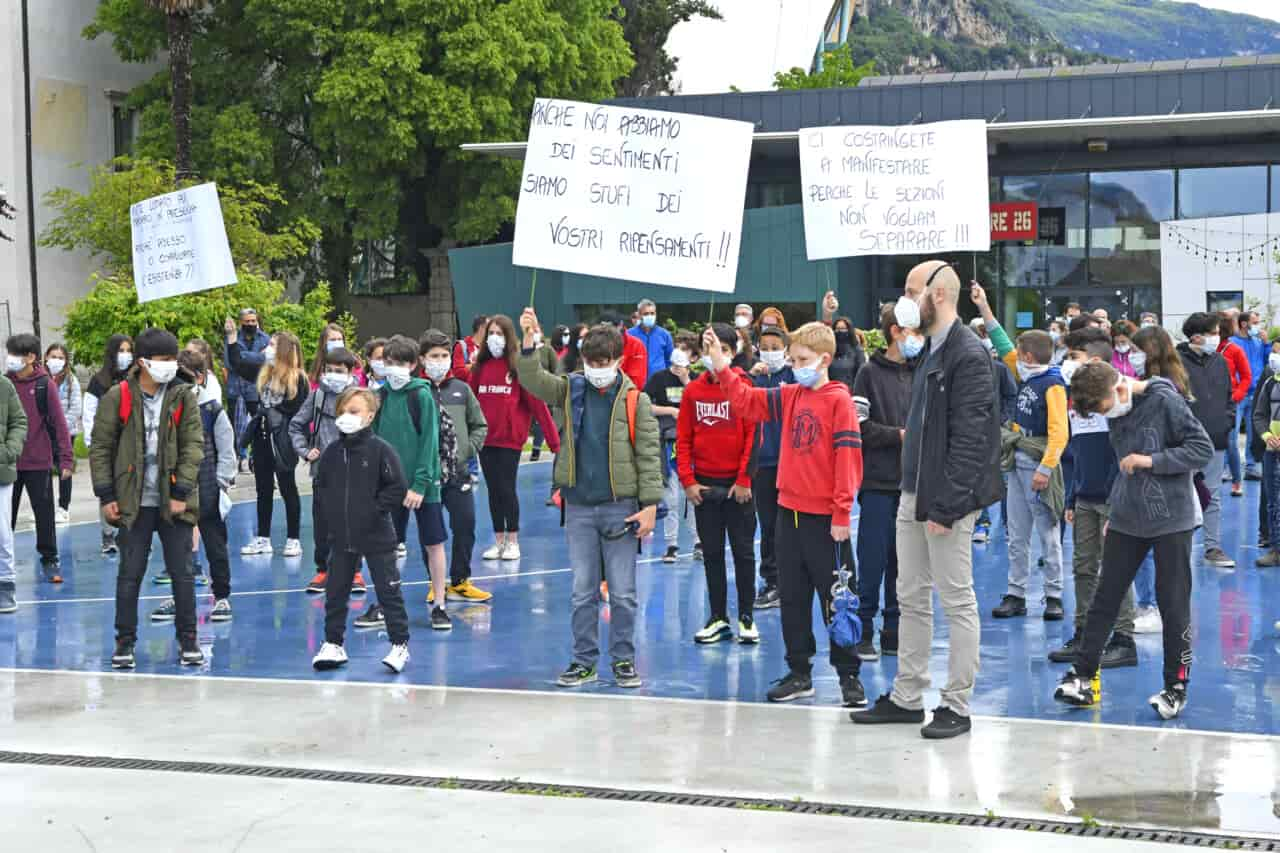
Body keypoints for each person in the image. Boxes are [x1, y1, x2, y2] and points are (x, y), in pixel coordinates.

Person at [852, 263, 1001, 740]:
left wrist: (948, 505)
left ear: (937, 294)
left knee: (956, 599)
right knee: (910, 596)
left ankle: (956, 703)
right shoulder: (929, 351)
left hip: (944, 501)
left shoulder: (967, 354)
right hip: (910, 491)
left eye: (912, 291)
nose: (905, 299)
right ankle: (906, 695)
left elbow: (973, 439)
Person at [709, 320, 867, 709]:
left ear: (824, 359)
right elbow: (747, 402)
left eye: (802, 359)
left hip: (825, 519)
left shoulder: (838, 401)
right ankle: (800, 672)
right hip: (788, 514)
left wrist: (842, 513)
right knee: (793, 599)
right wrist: (721, 367)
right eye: (794, 358)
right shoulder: (792, 394)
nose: (795, 365)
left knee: (838, 597)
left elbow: (848, 458)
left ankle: (849, 676)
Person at [1054, 361, 1213, 720]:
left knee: (1173, 604)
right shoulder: (1114, 411)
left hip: (1172, 519)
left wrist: (1150, 460)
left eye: (1104, 408)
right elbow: (1120, 465)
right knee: (1105, 596)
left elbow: (1201, 449)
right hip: (1127, 517)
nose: (1105, 415)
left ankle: (1176, 686)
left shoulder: (1166, 401)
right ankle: (1081, 676)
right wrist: (1115, 508)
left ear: (1119, 388)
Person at [516, 309, 662, 690]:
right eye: (591, 361)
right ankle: (583, 661)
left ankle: (624, 660)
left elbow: (649, 455)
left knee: (624, 594)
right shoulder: (570, 389)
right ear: (582, 359)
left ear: (618, 360)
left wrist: (650, 506)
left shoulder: (636, 400)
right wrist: (529, 340)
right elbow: (533, 379)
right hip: (579, 505)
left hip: (621, 507)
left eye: (604, 362)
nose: (597, 368)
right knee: (582, 592)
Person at [91, 328, 205, 669]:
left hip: (174, 502)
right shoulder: (118, 396)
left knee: (182, 574)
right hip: (132, 502)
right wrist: (106, 494)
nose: (169, 366)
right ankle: (124, 642)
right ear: (143, 362)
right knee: (130, 574)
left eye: (173, 359)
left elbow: (193, 446)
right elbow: (100, 448)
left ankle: (188, 640)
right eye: (162, 360)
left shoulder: (184, 395)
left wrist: (182, 491)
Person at [1051, 327, 1138, 669]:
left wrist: (1118, 502)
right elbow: (1077, 455)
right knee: (1083, 567)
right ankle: (1086, 632)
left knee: (1115, 568)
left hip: (1113, 500)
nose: (1067, 363)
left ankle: (1123, 637)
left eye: (1074, 357)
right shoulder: (1077, 404)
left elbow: (1123, 456)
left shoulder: (1118, 403)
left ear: (1097, 361)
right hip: (1084, 497)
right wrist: (1072, 497)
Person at [310, 387, 414, 673]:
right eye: (343, 411)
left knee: (388, 590)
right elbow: (322, 491)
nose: (347, 417)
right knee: (336, 591)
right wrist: (328, 525)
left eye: (354, 411)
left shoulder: (381, 450)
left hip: (377, 536)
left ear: (369, 416)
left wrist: (373, 511)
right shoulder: (332, 453)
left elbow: (397, 488)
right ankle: (333, 643)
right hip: (341, 537)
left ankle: (399, 645)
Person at [984, 314, 1068, 622]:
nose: (1013, 359)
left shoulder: (1053, 385)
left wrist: (1045, 469)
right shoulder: (1025, 376)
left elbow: (1060, 432)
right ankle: (1016, 592)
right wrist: (985, 310)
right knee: (1016, 532)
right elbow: (1003, 344)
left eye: (1019, 354)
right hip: (1017, 459)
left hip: (1037, 460)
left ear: (1028, 357)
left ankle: (1054, 595)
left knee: (1048, 532)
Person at [677, 323, 758, 645]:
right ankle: (718, 616)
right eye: (710, 348)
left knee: (743, 553)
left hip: (739, 489)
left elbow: (754, 435)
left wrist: (743, 480)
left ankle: (747, 618)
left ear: (733, 353)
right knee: (711, 553)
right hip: (705, 488)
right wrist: (688, 481)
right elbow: (683, 439)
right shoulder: (693, 392)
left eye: (723, 349)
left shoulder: (744, 387)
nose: (716, 355)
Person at [370, 335, 451, 631]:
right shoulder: (381, 397)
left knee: (434, 543)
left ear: (414, 365)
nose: (394, 369)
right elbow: (375, 442)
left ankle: (440, 604)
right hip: (391, 487)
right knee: (386, 546)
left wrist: (419, 484)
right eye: (389, 363)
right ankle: (384, 602)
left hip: (424, 486)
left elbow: (430, 442)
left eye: (401, 363)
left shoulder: (422, 395)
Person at [850, 303, 918, 661]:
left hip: (912, 485)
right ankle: (863, 629)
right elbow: (859, 426)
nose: (917, 339)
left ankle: (894, 629)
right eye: (913, 330)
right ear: (896, 331)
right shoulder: (867, 373)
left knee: (903, 563)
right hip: (877, 482)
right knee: (872, 558)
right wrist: (900, 435)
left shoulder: (921, 371)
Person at [151, 349, 236, 623]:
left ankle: (221, 596)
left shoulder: (212, 410)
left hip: (208, 488)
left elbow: (226, 450)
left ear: (199, 378)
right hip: (177, 492)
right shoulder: (163, 410)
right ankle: (180, 597)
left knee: (215, 545)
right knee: (179, 547)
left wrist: (222, 483)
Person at [468, 315, 559, 562]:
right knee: (493, 490)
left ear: (509, 337)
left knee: (507, 488)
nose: (494, 338)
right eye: (491, 333)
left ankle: (513, 540)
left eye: (499, 333)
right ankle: (498, 540)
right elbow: (470, 401)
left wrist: (554, 442)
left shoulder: (518, 366)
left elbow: (538, 406)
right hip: (486, 440)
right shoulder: (480, 367)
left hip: (510, 440)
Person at [225, 321, 307, 557]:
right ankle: (263, 538)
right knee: (262, 489)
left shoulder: (297, 379)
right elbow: (239, 364)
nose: (267, 348)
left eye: (272, 345)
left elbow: (296, 410)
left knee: (288, 487)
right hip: (262, 437)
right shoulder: (264, 372)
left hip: (282, 440)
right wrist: (232, 339)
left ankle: (293, 539)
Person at [420, 330, 491, 603]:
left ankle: (460, 580)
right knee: (432, 532)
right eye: (434, 356)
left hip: (458, 473)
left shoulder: (462, 390)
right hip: (427, 477)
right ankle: (434, 583)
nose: (440, 361)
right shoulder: (418, 391)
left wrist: (465, 450)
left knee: (466, 524)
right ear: (422, 359)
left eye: (444, 355)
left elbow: (480, 425)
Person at [290, 345, 359, 595]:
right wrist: (305, 451)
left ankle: (355, 571)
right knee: (323, 523)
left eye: (339, 370)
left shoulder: (361, 397)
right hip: (323, 472)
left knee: (353, 521)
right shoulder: (317, 396)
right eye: (329, 370)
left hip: (355, 472)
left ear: (350, 371)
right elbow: (296, 425)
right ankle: (323, 569)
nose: (333, 374)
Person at [6, 334, 73, 581]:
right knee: (4, 518)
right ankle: (4, 562)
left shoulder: (45, 384)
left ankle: (49, 559)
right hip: (9, 464)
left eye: (14, 354)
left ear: (31, 357)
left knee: (44, 514)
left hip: (39, 461)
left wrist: (66, 459)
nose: (9, 359)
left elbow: (59, 424)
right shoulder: (5, 384)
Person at [1176, 312, 1235, 569]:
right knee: (1182, 495)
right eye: (1213, 332)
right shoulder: (1176, 363)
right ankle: (1179, 547)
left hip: (1217, 438)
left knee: (1212, 496)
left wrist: (1227, 422)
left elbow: (1228, 396)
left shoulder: (1219, 361)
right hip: (1187, 443)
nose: (1217, 337)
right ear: (1198, 337)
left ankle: (1212, 547)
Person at [644, 330, 700, 564]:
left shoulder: (697, 381)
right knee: (671, 496)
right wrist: (670, 411)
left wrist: (686, 380)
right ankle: (671, 544)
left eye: (686, 350)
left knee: (693, 495)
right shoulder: (658, 379)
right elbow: (644, 405)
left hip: (692, 444)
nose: (680, 353)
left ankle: (699, 541)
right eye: (678, 347)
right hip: (666, 443)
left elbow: (701, 403)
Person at [747, 325, 793, 606]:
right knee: (768, 525)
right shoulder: (753, 379)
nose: (771, 353)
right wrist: (752, 377)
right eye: (766, 347)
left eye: (777, 348)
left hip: (792, 463)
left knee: (792, 525)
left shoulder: (794, 376)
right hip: (763, 463)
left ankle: (794, 579)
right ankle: (773, 580)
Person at [83, 334, 133, 555]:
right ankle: (108, 535)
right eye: (120, 350)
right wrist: (90, 441)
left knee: (133, 487)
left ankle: (133, 533)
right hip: (108, 443)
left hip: (131, 442)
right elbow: (89, 413)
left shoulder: (137, 378)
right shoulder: (99, 381)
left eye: (128, 350)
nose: (125, 355)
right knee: (107, 488)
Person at [224, 308, 272, 470]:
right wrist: (256, 358)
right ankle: (240, 457)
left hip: (256, 389)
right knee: (236, 426)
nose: (251, 324)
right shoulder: (232, 338)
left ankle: (255, 457)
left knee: (258, 426)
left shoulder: (265, 338)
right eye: (247, 321)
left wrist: (241, 357)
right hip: (235, 389)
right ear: (241, 322)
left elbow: (267, 362)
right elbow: (231, 363)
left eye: (253, 321)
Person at [44, 343, 80, 525]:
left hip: (65, 433)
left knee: (64, 470)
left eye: (60, 357)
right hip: (43, 433)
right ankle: (45, 508)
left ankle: (63, 508)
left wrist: (61, 427)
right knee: (43, 471)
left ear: (66, 360)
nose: (56, 360)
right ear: (45, 357)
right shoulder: (41, 378)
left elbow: (75, 408)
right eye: (53, 356)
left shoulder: (72, 381)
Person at [1218, 313, 1253, 497]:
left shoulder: (1234, 349)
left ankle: (1237, 481)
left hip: (1230, 402)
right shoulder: (1204, 349)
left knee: (1231, 442)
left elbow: (1246, 376)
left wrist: (1237, 396)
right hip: (1208, 402)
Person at [0, 370, 26, 615]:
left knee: (1, 531)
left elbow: (19, 421)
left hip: (1, 472)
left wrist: (10, 450)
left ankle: (5, 583)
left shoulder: (4, 385)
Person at [1232, 311, 1267, 481]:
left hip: (1255, 393)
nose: (1258, 325)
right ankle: (1229, 469)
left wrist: (1267, 343)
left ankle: (1251, 467)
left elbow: (1266, 362)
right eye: (1255, 322)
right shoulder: (1232, 342)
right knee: (1232, 432)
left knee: (1253, 433)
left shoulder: (1258, 342)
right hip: (1238, 393)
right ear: (1244, 324)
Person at [1254, 347, 1280, 567]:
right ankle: (1276, 548)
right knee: (1273, 502)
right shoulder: (1270, 383)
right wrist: (1266, 435)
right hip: (1272, 452)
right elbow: (1259, 415)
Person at [628, 299, 674, 386]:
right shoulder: (630, 334)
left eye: (652, 313)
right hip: (635, 384)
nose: (650, 316)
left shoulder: (664, 335)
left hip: (659, 383)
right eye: (646, 314)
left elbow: (670, 360)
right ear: (639, 315)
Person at [827, 316, 863, 392]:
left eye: (843, 329)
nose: (840, 331)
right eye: (837, 329)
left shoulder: (857, 350)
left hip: (850, 393)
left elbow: (861, 374)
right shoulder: (829, 349)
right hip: (831, 392)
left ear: (849, 330)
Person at [307, 323, 349, 387]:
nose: (337, 342)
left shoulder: (352, 364)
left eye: (339, 339)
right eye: (333, 340)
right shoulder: (317, 370)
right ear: (324, 343)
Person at [451, 315, 488, 383]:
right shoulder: (462, 346)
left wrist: (469, 367)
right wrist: (481, 367)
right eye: (489, 328)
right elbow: (458, 372)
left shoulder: (489, 348)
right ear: (481, 328)